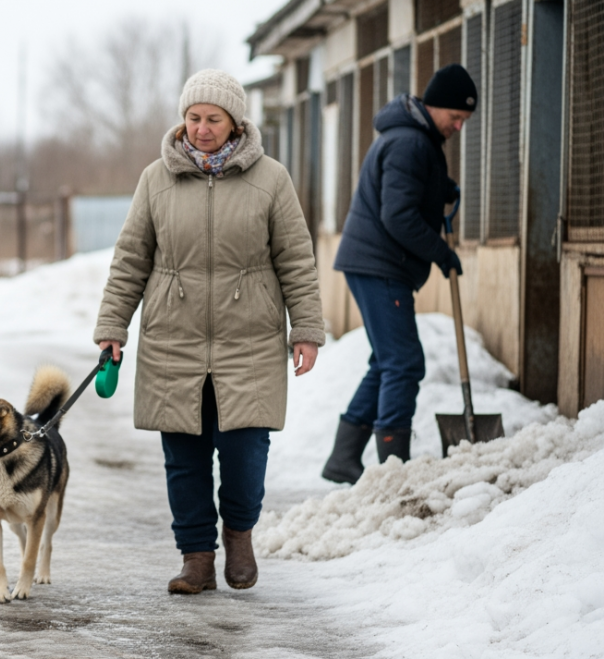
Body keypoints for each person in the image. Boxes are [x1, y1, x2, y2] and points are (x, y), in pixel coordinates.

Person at [93, 69, 325, 595]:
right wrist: (113, 326)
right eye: (193, 118)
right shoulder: (157, 178)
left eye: (212, 119)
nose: (201, 128)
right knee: (185, 458)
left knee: (246, 452)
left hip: (251, 338)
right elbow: (131, 258)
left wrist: (305, 329)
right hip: (173, 338)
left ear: (235, 121)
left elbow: (296, 258)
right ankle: (196, 557)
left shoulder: (271, 179)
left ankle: (238, 532)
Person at [321, 64, 477, 485]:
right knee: (404, 364)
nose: (459, 127)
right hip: (380, 265)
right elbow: (399, 215)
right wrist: (441, 253)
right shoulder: (411, 143)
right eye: (456, 117)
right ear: (436, 106)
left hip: (376, 263)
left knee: (387, 362)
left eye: (465, 121)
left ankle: (344, 457)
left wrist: (440, 189)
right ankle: (393, 468)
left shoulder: (416, 138)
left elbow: (409, 191)